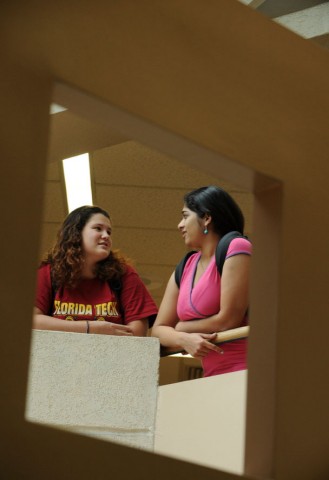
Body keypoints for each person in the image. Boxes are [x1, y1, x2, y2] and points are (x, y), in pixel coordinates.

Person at [151, 186, 252, 376]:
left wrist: (181, 328)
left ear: (206, 218)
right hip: (211, 373)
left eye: (185, 216)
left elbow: (228, 320)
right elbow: (157, 330)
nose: (179, 225)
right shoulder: (185, 266)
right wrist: (182, 340)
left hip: (246, 369)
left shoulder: (237, 246)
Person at [34, 205, 158, 336]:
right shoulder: (48, 271)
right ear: (76, 232)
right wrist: (90, 328)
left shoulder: (124, 274)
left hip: (111, 355)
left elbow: (137, 332)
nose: (106, 236)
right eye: (98, 229)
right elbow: (32, 321)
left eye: (109, 232)